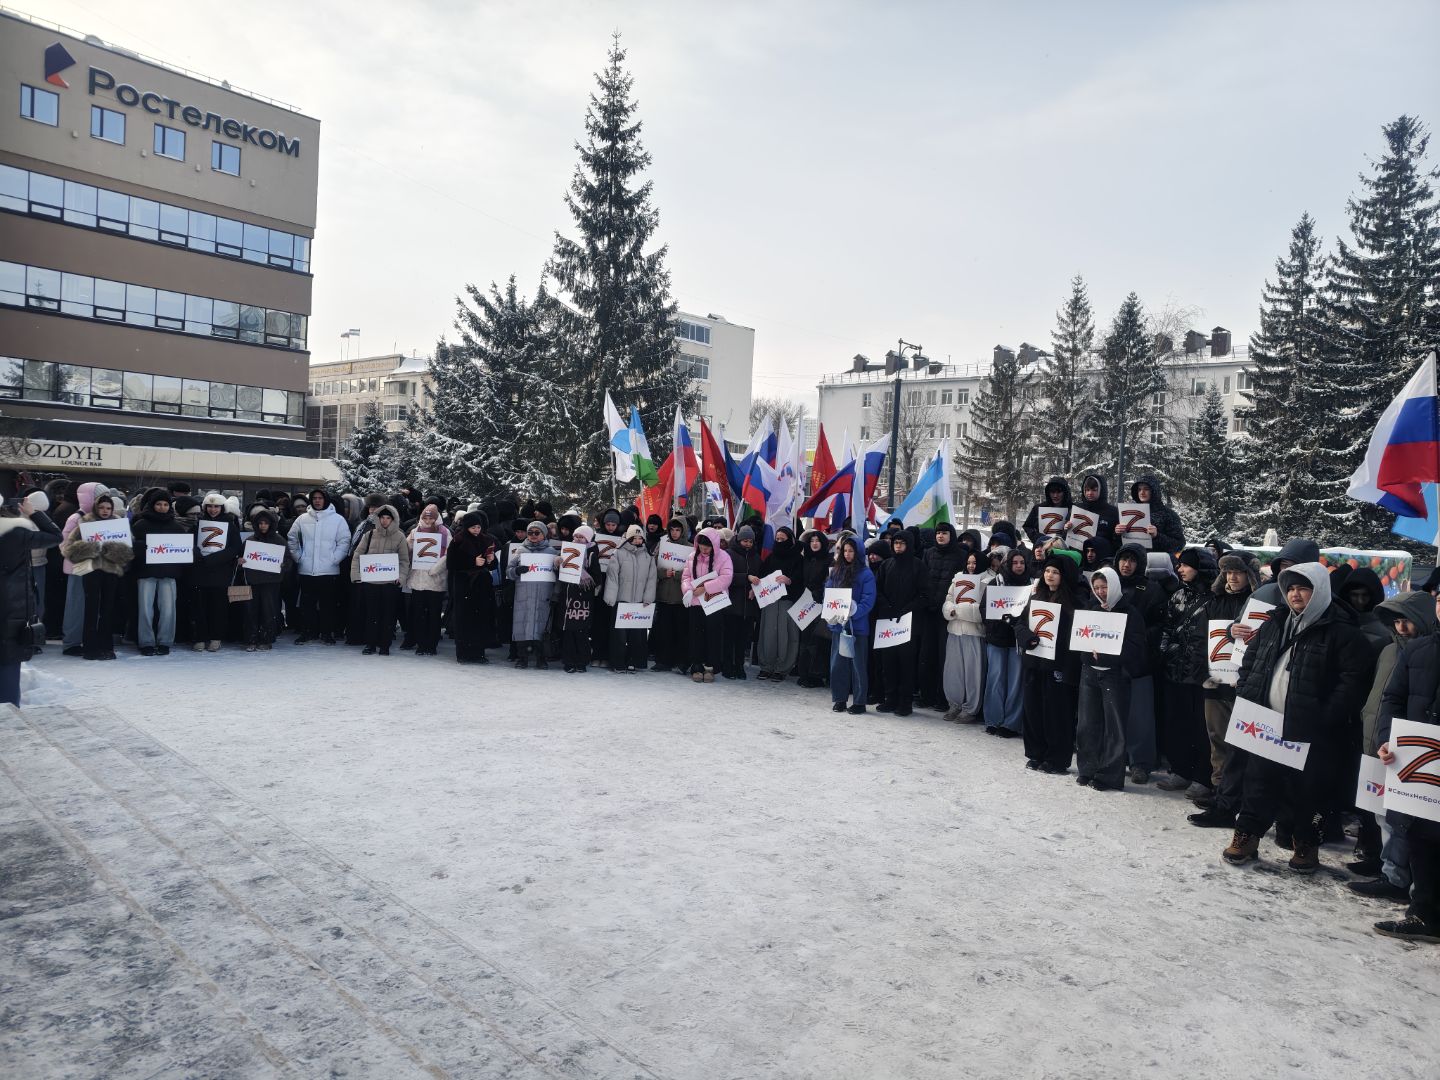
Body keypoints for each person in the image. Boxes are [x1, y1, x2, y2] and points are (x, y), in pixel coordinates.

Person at [1223, 563, 1369, 873]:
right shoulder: (1276, 622)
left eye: (1303, 588)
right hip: (1267, 723)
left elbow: (1352, 682)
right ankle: (1246, 837)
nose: (1295, 594)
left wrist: (1324, 716)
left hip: (1312, 731)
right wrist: (1248, 692)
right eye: (1290, 588)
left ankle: (1306, 845)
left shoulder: (1342, 632)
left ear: (1319, 592)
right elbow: (1252, 660)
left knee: (1310, 790)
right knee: (1258, 783)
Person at [1349, 589, 1437, 901]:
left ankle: (1405, 882)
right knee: (1384, 815)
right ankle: (1390, 871)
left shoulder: (1424, 652)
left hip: (1417, 752)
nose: (1401, 627)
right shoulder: (1388, 651)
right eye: (1397, 621)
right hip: (1381, 744)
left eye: (1407, 620)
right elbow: (1383, 698)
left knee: (1408, 821)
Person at [1374, 615, 1440, 943]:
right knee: (1419, 834)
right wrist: (1386, 740)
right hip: (1418, 761)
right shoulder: (1417, 649)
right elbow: (1393, 698)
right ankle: (1423, 913)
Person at [1189, 553, 1263, 829]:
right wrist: (1202, 675)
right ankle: (1220, 791)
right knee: (1217, 738)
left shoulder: (1257, 605)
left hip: (1243, 685)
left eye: (1238, 572)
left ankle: (1238, 796)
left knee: (1241, 743)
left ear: (1249, 575)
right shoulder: (1214, 602)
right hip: (1215, 681)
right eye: (1228, 572)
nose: (1232, 577)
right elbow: (1200, 640)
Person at [1075, 567, 1147, 791]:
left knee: (1114, 727)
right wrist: (1087, 654)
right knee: (1087, 723)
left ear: (1114, 585)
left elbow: (1136, 648)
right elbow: (1079, 638)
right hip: (1089, 672)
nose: (1101, 591)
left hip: (1114, 675)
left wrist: (1109, 654)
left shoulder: (1130, 612)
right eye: (1096, 587)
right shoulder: (1091, 607)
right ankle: (1087, 768)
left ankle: (1109, 775)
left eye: (1104, 586)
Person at [1157, 548, 1218, 795]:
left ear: (1200, 567)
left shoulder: (1216, 597)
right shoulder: (1178, 594)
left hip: (1203, 672)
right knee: (1176, 723)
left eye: (1186, 565)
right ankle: (1180, 770)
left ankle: (1203, 777)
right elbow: (1168, 627)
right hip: (1175, 669)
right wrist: (1163, 653)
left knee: (1201, 727)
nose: (1180, 569)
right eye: (1180, 565)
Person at [1015, 551, 1083, 772]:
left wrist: (1068, 667)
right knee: (1033, 710)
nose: (1050, 575)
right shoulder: (1036, 598)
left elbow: (1076, 637)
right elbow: (1020, 624)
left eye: (1055, 572)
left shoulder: (1074, 603)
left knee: (1057, 713)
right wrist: (1027, 638)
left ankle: (1056, 759)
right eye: (1047, 571)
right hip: (1035, 663)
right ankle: (1036, 753)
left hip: (1058, 666)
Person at [1114, 542, 1169, 784]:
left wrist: (1140, 638)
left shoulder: (1151, 588)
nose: (1126, 565)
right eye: (1123, 559)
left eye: (1132, 560)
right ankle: (1115, 756)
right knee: (1113, 713)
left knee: (1140, 715)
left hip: (1139, 661)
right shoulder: (1108, 584)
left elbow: (1161, 623)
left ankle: (1141, 763)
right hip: (1110, 659)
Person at [1, 496, 62, 702]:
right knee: (9, 667)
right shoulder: (16, 533)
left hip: (12, 607)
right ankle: (10, 718)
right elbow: (55, 536)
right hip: (12, 607)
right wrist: (33, 512)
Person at [59, 493, 132, 661]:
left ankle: (106, 646)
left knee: (107, 609)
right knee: (91, 609)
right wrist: (87, 550)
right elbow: (67, 548)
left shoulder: (118, 524)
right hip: (91, 571)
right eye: (101, 507)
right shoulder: (85, 523)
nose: (105, 511)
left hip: (111, 571)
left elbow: (129, 549)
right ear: (95, 507)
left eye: (108, 508)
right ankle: (90, 647)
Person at [130, 488, 192, 656]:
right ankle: (146, 642)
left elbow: (184, 550)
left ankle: (165, 641)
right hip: (145, 572)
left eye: (165, 504)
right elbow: (130, 548)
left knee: (168, 609)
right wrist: (143, 547)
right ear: (152, 505)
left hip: (169, 573)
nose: (162, 507)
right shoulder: (140, 524)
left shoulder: (176, 526)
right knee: (145, 608)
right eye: (159, 504)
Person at [874, 527, 928, 716]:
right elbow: (877, 589)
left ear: (909, 544)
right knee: (888, 662)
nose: (898, 546)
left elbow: (924, 594)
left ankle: (905, 702)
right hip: (887, 621)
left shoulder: (918, 565)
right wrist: (885, 605)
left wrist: (908, 609)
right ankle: (890, 699)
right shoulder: (886, 565)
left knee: (906, 663)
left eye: (902, 543)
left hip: (908, 623)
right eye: (896, 543)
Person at [287, 489, 351, 645]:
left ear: (325, 500)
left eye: (320, 498)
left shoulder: (338, 520)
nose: (317, 501)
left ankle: (327, 633)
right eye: (314, 498)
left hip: (328, 571)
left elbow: (344, 541)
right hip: (306, 570)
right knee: (306, 605)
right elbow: (292, 538)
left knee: (327, 605)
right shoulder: (302, 519)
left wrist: (334, 559)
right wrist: (299, 557)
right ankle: (307, 632)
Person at [917, 522, 968, 709]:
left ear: (951, 535)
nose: (940, 536)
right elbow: (922, 579)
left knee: (944, 657)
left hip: (948, 614)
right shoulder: (928, 553)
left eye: (944, 533)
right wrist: (925, 601)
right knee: (926, 655)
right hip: (928, 612)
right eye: (938, 532)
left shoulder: (961, 555)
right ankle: (926, 695)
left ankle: (942, 697)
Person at [982, 546, 1031, 738]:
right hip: (997, 638)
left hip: (1018, 641)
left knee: (1015, 683)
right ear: (1008, 564)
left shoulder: (1031, 584)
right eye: (1014, 562)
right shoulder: (996, 583)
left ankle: (1011, 723)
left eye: (1021, 563)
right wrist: (996, 624)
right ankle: (993, 719)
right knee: (995, 680)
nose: (1018, 566)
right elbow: (984, 608)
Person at [826, 534, 876, 715]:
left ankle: (860, 701)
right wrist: (831, 611)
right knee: (837, 664)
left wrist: (853, 610)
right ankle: (839, 698)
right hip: (839, 625)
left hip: (857, 627)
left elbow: (868, 601)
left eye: (851, 551)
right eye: (845, 551)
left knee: (858, 665)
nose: (847, 554)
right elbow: (829, 591)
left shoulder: (866, 574)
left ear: (858, 552)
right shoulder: (836, 571)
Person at [350, 505, 409, 656]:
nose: (384, 521)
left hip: (390, 584)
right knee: (371, 615)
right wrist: (356, 575)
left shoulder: (400, 536)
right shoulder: (369, 535)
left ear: (393, 519)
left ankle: (385, 645)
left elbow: (404, 560)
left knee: (388, 616)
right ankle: (370, 644)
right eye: (382, 517)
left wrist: (401, 578)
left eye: (388, 518)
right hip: (371, 583)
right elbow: (357, 555)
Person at [58, 481, 105, 656]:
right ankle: (71, 642)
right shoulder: (76, 518)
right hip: (78, 568)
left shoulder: (101, 516)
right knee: (76, 605)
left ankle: (87, 639)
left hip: (96, 567)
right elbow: (64, 543)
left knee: (90, 605)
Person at [190, 493, 242, 652]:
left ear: (222, 508)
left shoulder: (230, 526)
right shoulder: (197, 525)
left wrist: (215, 559)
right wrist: (199, 556)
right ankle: (200, 637)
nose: (213, 509)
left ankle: (215, 637)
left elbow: (235, 548)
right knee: (200, 607)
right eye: (210, 506)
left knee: (218, 607)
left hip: (221, 573)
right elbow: (190, 543)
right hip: (201, 572)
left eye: (216, 506)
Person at [940, 548, 987, 723]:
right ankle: (954, 704)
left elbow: (981, 609)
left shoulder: (987, 580)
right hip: (954, 630)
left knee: (973, 672)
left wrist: (956, 610)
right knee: (953, 671)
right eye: (969, 562)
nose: (971, 566)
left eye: (974, 562)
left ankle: (970, 708)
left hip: (974, 633)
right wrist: (950, 610)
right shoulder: (957, 578)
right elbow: (948, 600)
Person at [604, 523, 656, 674]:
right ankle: (618, 662)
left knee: (637, 635)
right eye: (635, 537)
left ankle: (635, 660)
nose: (638, 541)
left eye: (640, 538)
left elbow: (651, 579)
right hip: (622, 599)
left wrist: (648, 597)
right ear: (628, 538)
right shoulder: (618, 553)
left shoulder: (648, 556)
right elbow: (612, 577)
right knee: (619, 635)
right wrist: (611, 597)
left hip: (639, 601)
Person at [682, 528, 732, 683]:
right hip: (696, 603)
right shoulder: (692, 556)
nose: (704, 549)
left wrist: (705, 588)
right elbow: (686, 577)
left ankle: (710, 666)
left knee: (713, 635)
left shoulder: (723, 557)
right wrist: (688, 591)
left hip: (714, 602)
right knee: (696, 634)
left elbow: (726, 578)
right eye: (702, 545)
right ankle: (696, 665)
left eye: (707, 546)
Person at [448, 512, 498, 665]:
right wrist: (471, 561)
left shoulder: (486, 540)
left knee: (480, 619)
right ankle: (463, 652)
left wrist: (491, 560)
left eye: (478, 527)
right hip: (463, 584)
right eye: (473, 527)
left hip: (481, 585)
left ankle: (478, 652)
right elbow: (451, 564)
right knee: (464, 619)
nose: (476, 530)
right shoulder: (458, 540)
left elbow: (491, 565)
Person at [508, 520, 558, 669]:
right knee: (522, 625)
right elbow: (509, 571)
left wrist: (556, 571)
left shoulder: (552, 552)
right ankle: (522, 657)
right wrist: (516, 571)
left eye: (537, 533)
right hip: (524, 595)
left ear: (543, 534)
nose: (533, 535)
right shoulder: (521, 550)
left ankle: (541, 658)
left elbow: (558, 574)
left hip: (544, 595)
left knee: (542, 626)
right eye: (530, 533)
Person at [756, 525, 803, 682]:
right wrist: (755, 586)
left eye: (783, 539)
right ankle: (766, 665)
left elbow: (802, 579)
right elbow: (761, 575)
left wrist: (790, 580)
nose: (780, 542)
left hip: (788, 601)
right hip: (770, 600)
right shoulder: (771, 557)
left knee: (787, 635)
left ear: (790, 540)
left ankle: (783, 668)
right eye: (777, 539)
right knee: (767, 634)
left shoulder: (798, 558)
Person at [405, 503, 450, 656]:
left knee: (434, 614)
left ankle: (432, 644)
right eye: (426, 516)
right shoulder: (415, 530)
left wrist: (436, 569)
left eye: (431, 517)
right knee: (418, 614)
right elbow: (407, 549)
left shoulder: (444, 532)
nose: (428, 520)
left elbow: (448, 554)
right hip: (418, 579)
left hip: (435, 580)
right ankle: (421, 643)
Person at [651, 518, 692, 674]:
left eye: (678, 530)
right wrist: (663, 573)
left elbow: (693, 572)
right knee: (664, 631)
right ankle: (663, 661)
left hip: (681, 597)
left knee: (681, 632)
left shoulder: (690, 548)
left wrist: (677, 575)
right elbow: (653, 566)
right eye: (672, 529)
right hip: (664, 596)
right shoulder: (663, 545)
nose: (675, 533)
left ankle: (681, 662)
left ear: (683, 531)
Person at [241, 509, 285, 651]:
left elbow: (288, 560)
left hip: (270, 583)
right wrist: (239, 561)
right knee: (250, 611)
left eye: (266, 523)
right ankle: (251, 639)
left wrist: (284, 565)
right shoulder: (250, 540)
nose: (263, 526)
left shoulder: (279, 540)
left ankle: (266, 639)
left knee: (268, 611)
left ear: (271, 524)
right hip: (252, 581)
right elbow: (240, 558)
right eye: (260, 523)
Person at [723, 525, 762, 679]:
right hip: (731, 604)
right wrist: (746, 577)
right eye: (745, 541)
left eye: (750, 541)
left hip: (748, 606)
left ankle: (739, 667)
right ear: (739, 540)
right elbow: (726, 577)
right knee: (729, 639)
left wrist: (755, 588)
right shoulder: (729, 555)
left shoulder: (756, 557)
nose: (747, 544)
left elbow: (759, 578)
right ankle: (727, 667)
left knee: (741, 640)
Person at [797, 530, 833, 689]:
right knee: (804, 640)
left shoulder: (828, 560)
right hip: (804, 603)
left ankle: (816, 675)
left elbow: (830, 581)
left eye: (818, 540)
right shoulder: (805, 560)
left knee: (817, 641)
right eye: (812, 541)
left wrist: (818, 593)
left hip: (820, 603)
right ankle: (804, 673)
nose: (815, 543)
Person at [1118, 476, 1185, 553]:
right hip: (1133, 558)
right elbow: (1117, 544)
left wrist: (1157, 536)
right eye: (1139, 489)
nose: (1142, 492)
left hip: (1157, 560)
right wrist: (1118, 533)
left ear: (1154, 490)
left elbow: (1179, 545)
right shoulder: (1128, 511)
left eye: (1146, 489)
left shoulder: (1169, 514)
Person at [1022, 477, 1073, 548]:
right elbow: (1027, 526)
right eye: (1052, 492)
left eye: (1059, 492)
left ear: (1065, 492)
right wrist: (1038, 538)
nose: (1055, 495)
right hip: (1041, 548)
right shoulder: (1038, 508)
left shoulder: (1072, 509)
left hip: (1065, 549)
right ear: (1048, 493)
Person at [1073, 474, 1119, 548]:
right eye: (1087, 490)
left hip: (1103, 553)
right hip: (1078, 550)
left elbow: (1116, 540)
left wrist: (1117, 533)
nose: (1090, 493)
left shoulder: (1113, 512)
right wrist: (1067, 527)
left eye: (1094, 490)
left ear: (1101, 490)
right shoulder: (1077, 509)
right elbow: (1068, 535)